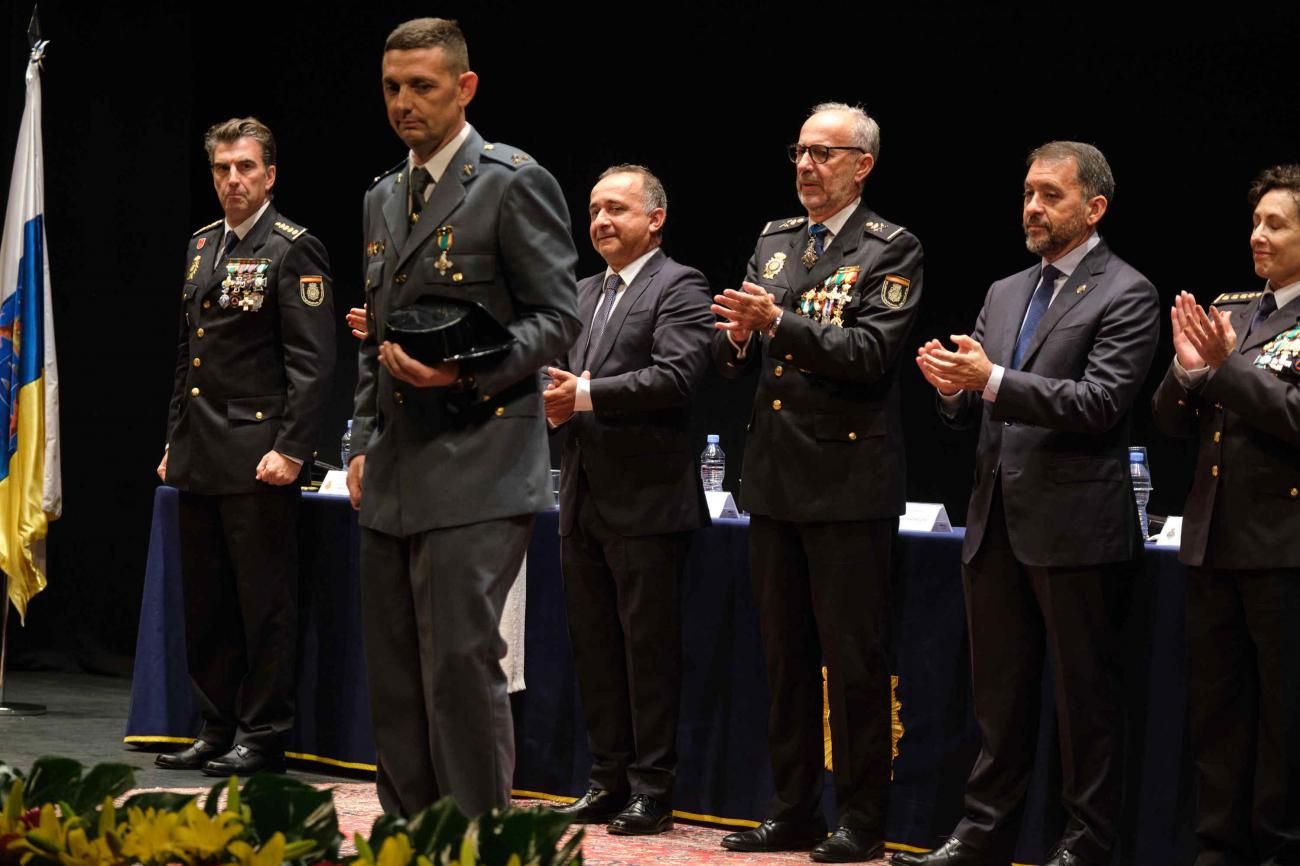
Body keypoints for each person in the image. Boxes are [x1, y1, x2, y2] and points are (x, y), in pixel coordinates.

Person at [900, 142, 1159, 866]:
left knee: (1084, 705)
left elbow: (1101, 403)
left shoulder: (1127, 292)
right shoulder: (1006, 290)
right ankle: (983, 836)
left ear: (1094, 207)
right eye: (1027, 194)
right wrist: (955, 390)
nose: (1033, 208)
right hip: (997, 524)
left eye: (1050, 195)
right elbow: (984, 404)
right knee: (1000, 701)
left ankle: (1084, 846)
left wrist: (992, 380)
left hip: (1077, 529)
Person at [346, 17, 580, 819]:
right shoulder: (382, 195)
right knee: (396, 674)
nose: (404, 103)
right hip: (396, 468)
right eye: (391, 88)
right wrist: (357, 441)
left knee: (457, 666)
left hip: (481, 462)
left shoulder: (512, 182)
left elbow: (558, 317)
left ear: (465, 88)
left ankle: (480, 840)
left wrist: (465, 368)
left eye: (422, 86)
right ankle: (411, 833)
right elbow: (374, 334)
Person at [711, 103, 924, 863]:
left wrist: (776, 325)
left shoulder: (892, 249)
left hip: (847, 484)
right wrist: (735, 339)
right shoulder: (774, 242)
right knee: (785, 657)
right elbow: (743, 361)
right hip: (772, 480)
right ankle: (792, 808)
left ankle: (862, 820)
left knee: (854, 662)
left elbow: (869, 352)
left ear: (861, 166)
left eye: (824, 154)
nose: (806, 166)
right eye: (799, 152)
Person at [155, 116, 335, 776]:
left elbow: (314, 364)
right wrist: (175, 440)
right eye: (222, 169)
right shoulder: (203, 246)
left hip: (260, 457)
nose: (233, 179)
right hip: (201, 453)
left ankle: (262, 735)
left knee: (263, 607)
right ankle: (216, 723)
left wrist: (292, 449)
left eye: (245, 168)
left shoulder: (293, 249)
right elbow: (187, 358)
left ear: (270, 175)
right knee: (206, 604)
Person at [543, 165, 713, 835]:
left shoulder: (681, 285)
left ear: (655, 218)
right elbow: (556, 374)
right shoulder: (583, 292)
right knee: (595, 649)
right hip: (582, 499)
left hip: (647, 504)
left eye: (616, 208)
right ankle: (605, 780)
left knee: (648, 653)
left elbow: (677, 376)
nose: (602, 221)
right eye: (594, 210)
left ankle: (652, 790)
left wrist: (582, 395)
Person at [1151, 164, 1300, 866]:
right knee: (1217, 711)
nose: (1258, 235)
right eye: (1256, 222)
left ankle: (1278, 848)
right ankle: (1218, 847)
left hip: (1283, 546)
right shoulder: (1231, 310)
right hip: (1212, 540)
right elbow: (1170, 424)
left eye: (1277, 224)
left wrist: (1227, 370)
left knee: (1284, 718)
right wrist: (1185, 372)